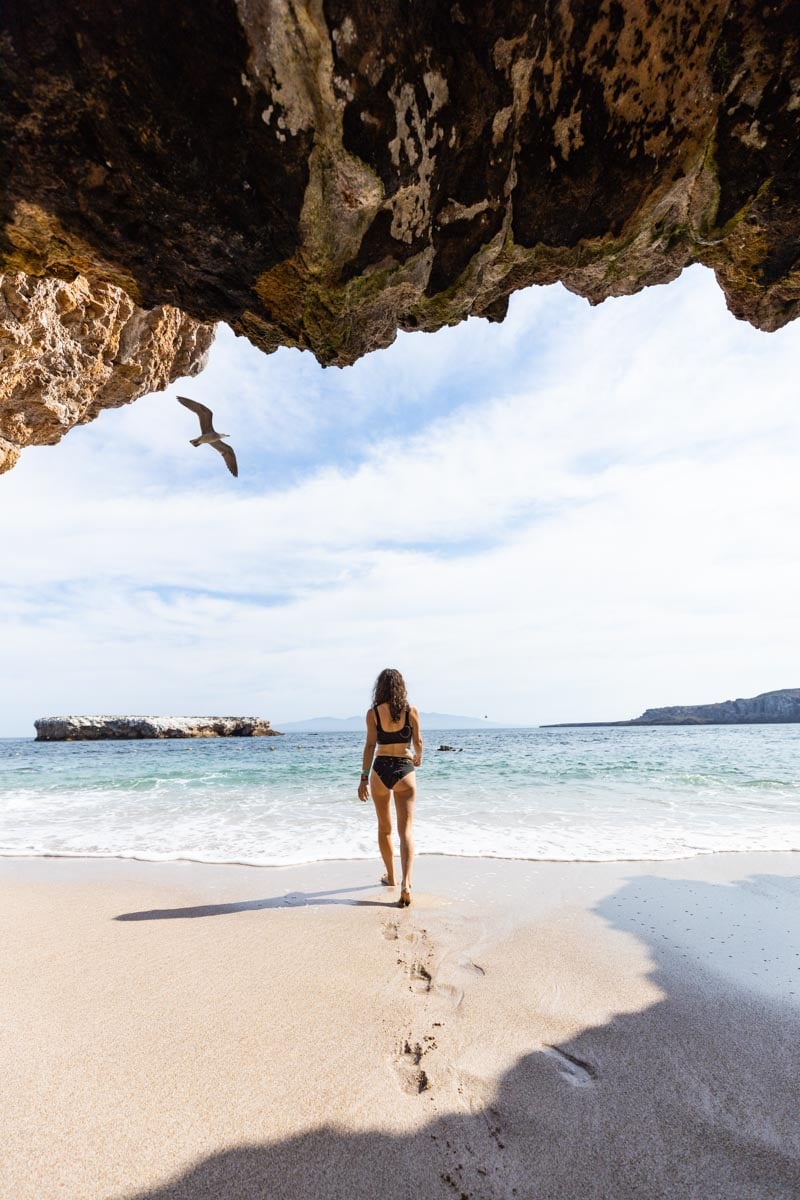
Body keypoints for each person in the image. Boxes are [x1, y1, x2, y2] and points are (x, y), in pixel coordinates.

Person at [358, 668, 422, 907]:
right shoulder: (411, 711)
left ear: (380, 688)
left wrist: (363, 778)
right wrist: (419, 755)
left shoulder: (373, 713)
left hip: (380, 769)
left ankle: (391, 877)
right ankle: (406, 883)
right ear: (401, 687)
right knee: (406, 830)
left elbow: (369, 746)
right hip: (405, 770)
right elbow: (419, 742)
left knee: (385, 828)